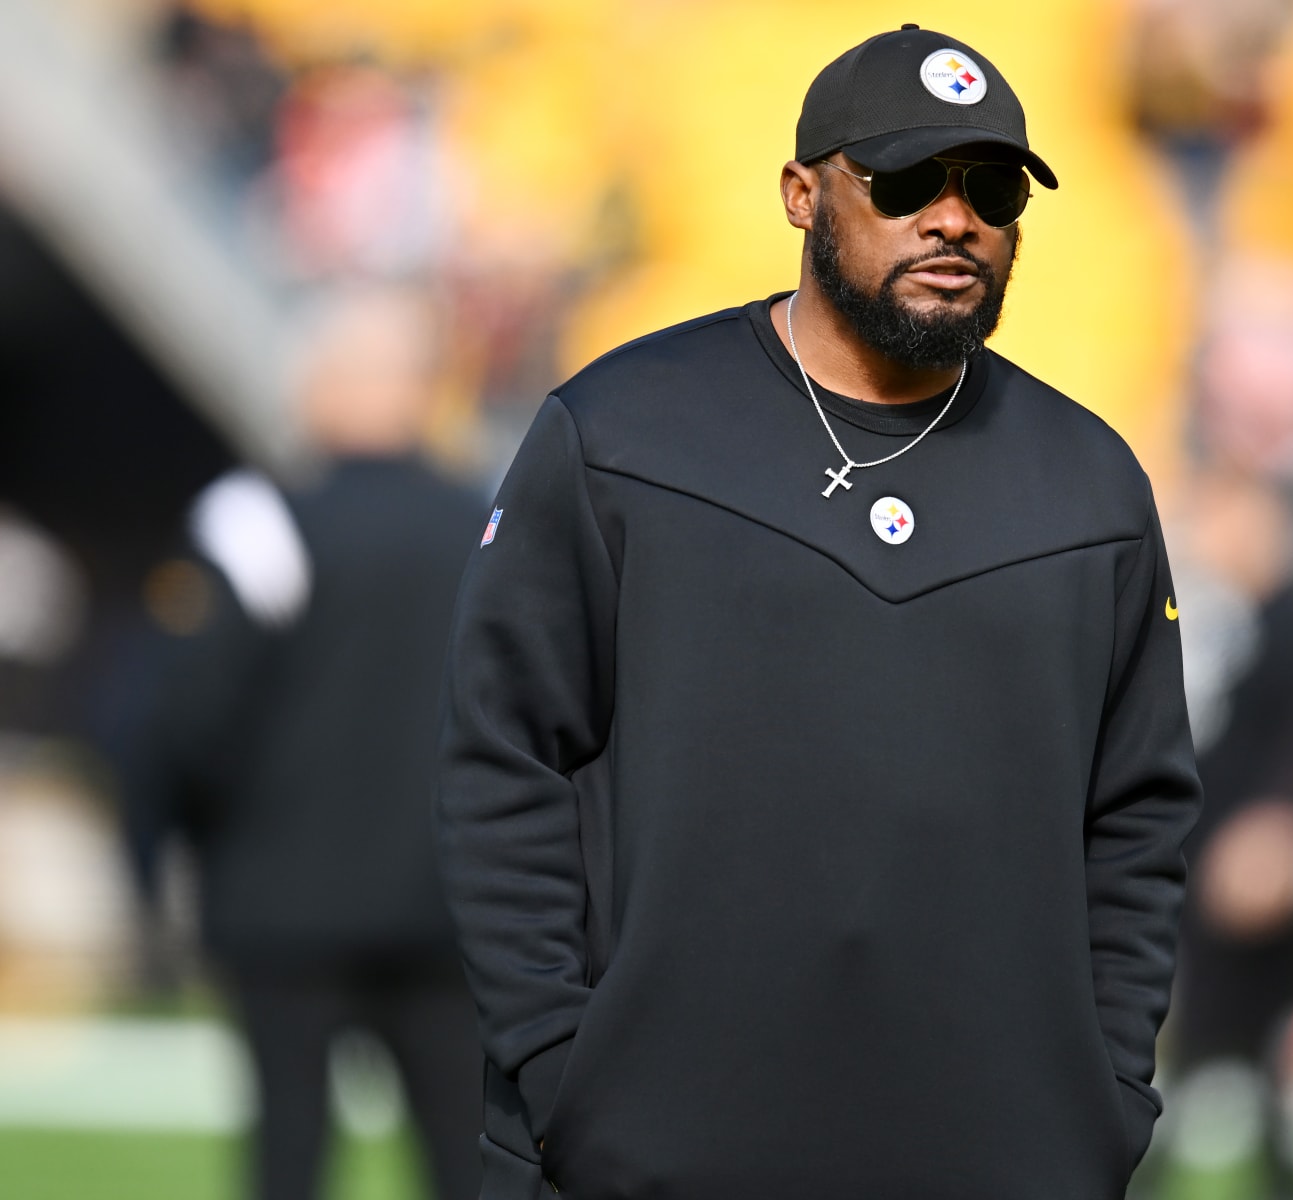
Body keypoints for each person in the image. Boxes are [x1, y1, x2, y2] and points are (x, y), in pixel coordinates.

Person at [435, 24, 1203, 1200]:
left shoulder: (1091, 484)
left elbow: (1138, 818)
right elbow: (503, 761)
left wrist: (1098, 1102)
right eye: (907, 182)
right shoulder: (624, 432)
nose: (954, 220)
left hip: (989, 1163)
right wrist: (563, 1070)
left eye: (991, 189)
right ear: (802, 194)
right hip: (645, 1159)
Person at [120, 286, 485, 1200]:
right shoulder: (491, 520)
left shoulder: (258, 521)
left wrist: (159, 854)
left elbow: (184, 716)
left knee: (289, 1150)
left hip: (281, 905)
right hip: (448, 898)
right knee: (469, 1152)